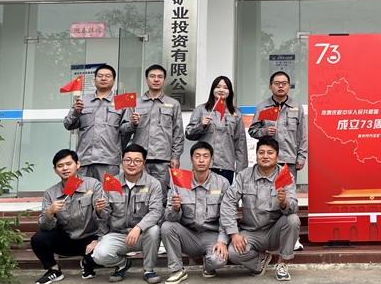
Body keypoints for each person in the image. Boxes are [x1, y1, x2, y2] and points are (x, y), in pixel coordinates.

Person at [219, 137, 301, 281]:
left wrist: (284, 203)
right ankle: (260, 259)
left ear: (277, 156)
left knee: (293, 219)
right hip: (251, 232)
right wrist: (234, 233)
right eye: (261, 152)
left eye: (270, 152)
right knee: (233, 253)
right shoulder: (244, 176)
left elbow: (294, 206)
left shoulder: (285, 175)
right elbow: (228, 203)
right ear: (256, 155)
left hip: (274, 232)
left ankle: (282, 264)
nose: (265, 156)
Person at [248, 71, 307, 251]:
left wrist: (301, 156)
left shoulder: (296, 107)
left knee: (288, 198)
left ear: (289, 86)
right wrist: (265, 132)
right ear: (270, 86)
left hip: (288, 160)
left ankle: (293, 238)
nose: (280, 86)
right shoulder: (262, 107)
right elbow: (252, 131)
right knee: (267, 197)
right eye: (277, 83)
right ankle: (267, 235)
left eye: (284, 83)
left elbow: (302, 135)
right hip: (267, 162)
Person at [91, 144, 163, 284]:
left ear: (144, 163)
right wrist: (99, 211)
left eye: (137, 160)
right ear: (121, 161)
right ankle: (122, 264)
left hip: (142, 235)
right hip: (118, 234)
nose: (132, 164)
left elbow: (156, 212)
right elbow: (104, 217)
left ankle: (149, 270)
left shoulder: (153, 184)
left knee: (154, 230)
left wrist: (138, 228)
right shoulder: (111, 183)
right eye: (128, 160)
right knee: (99, 255)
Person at [161, 142, 231, 284]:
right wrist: (175, 209)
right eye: (197, 156)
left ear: (211, 159)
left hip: (212, 236)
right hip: (189, 235)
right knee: (167, 226)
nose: (201, 160)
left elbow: (227, 215)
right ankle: (177, 270)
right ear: (191, 159)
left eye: (205, 156)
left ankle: (209, 264)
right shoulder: (179, 181)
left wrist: (222, 241)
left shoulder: (222, 183)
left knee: (218, 261)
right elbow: (168, 217)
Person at [32, 149, 105, 284]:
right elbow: (44, 226)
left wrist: (99, 239)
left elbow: (105, 218)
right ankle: (54, 270)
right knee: (38, 239)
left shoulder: (93, 185)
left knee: (104, 254)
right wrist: (49, 212)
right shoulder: (50, 193)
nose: (65, 168)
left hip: (91, 237)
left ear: (78, 164)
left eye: (68, 164)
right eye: (60, 166)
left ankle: (87, 262)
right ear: (55, 170)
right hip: (67, 237)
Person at [63, 64, 133, 180]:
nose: (103, 78)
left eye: (108, 76)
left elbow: (126, 131)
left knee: (107, 191)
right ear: (94, 79)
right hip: (84, 159)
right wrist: (76, 112)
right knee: (83, 190)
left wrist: (134, 123)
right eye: (100, 76)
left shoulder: (122, 101)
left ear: (114, 80)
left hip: (109, 160)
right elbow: (68, 125)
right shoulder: (83, 100)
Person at [130, 64, 185, 200]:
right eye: (152, 76)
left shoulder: (173, 104)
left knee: (160, 195)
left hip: (163, 159)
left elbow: (178, 133)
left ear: (164, 80)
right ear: (146, 79)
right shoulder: (135, 103)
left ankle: (159, 215)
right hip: (139, 159)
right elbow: (124, 130)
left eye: (160, 77)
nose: (156, 79)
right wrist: (133, 123)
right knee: (139, 195)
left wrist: (176, 156)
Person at [185, 76, 248, 185]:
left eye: (225, 88)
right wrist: (201, 126)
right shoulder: (201, 110)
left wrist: (241, 170)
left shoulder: (236, 113)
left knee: (224, 194)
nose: (221, 90)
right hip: (204, 165)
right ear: (212, 89)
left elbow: (240, 143)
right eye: (218, 87)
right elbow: (189, 133)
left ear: (230, 91)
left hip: (226, 165)